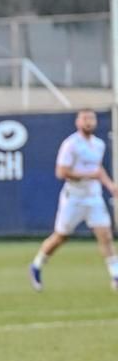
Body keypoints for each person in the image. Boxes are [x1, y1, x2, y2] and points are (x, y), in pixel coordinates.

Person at [30, 108, 118, 291]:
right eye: (85, 119)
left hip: (93, 197)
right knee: (61, 236)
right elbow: (61, 172)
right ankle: (37, 265)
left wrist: (110, 185)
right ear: (78, 122)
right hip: (74, 198)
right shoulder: (70, 144)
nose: (89, 122)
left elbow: (97, 168)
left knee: (105, 235)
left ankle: (115, 276)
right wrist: (88, 175)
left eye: (91, 118)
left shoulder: (98, 144)